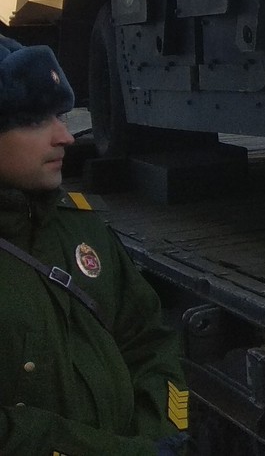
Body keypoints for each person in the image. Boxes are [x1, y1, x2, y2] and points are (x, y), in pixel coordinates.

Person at [0, 36, 190, 455]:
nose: (65, 136)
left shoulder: (78, 225)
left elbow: (149, 337)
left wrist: (161, 432)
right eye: (35, 120)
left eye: (59, 116)